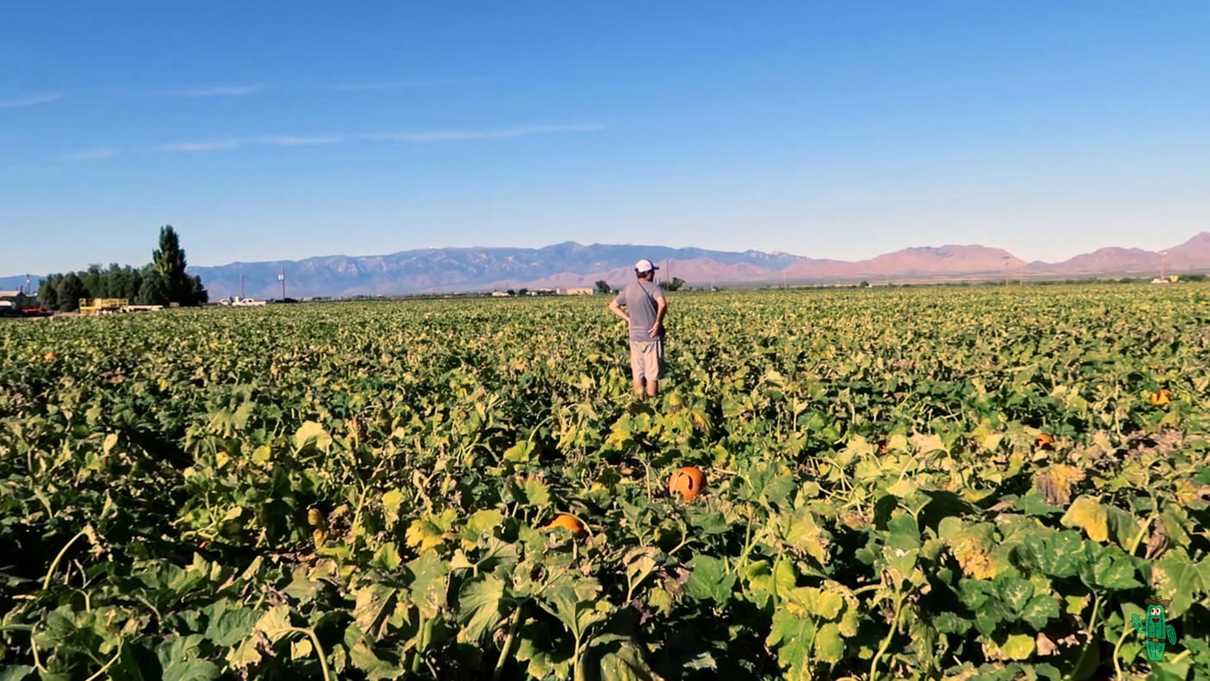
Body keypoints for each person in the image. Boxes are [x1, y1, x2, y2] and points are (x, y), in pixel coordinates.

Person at [608, 259, 668, 399]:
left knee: (638, 372)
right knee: (652, 374)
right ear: (648, 273)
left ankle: (639, 403)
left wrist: (628, 319)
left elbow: (612, 306)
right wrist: (658, 322)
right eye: (652, 271)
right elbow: (663, 304)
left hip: (634, 337)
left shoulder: (628, 288)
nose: (653, 273)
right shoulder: (653, 287)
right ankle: (652, 404)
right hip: (651, 336)